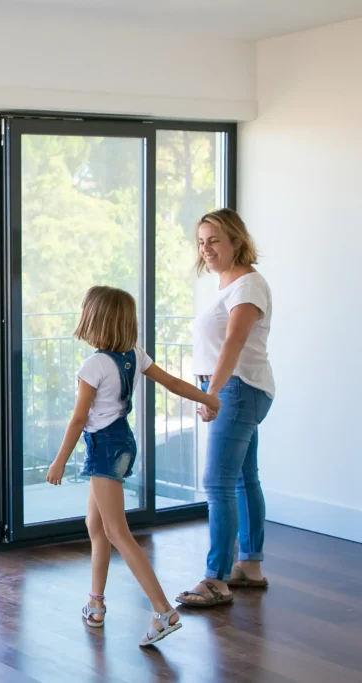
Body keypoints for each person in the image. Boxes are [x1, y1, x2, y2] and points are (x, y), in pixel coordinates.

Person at [46, 286, 220, 646]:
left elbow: (79, 419)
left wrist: (59, 461)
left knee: (117, 533)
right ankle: (96, 604)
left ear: (93, 318)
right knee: (96, 526)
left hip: (104, 449)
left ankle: (163, 611)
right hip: (123, 442)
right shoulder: (133, 355)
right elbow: (171, 383)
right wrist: (207, 398)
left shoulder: (93, 365)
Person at [177, 208, 275, 608]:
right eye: (201, 241)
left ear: (236, 240)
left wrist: (211, 393)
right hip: (238, 388)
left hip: (236, 389)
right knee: (243, 478)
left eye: (214, 240)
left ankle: (216, 579)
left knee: (218, 482)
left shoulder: (248, 285)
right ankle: (249, 566)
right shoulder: (228, 284)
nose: (206, 248)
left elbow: (233, 342)